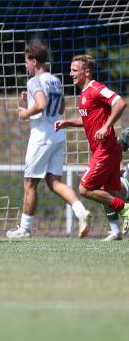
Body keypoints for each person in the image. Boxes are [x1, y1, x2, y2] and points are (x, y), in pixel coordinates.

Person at [7, 41, 91, 239]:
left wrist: (25, 113)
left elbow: (42, 103)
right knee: (54, 182)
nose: (25, 66)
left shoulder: (34, 81)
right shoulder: (54, 80)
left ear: (34, 61)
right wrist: (30, 98)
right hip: (57, 134)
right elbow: (60, 107)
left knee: (30, 183)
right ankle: (81, 212)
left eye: (26, 62)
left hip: (41, 137)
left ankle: (25, 229)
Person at [55, 54, 128, 241]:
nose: (70, 74)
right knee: (110, 191)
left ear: (86, 72)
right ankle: (117, 231)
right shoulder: (84, 94)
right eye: (71, 70)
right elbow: (88, 120)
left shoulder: (96, 88)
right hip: (104, 149)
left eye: (74, 71)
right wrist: (68, 123)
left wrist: (106, 127)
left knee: (85, 188)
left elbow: (120, 103)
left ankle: (125, 209)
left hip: (106, 149)